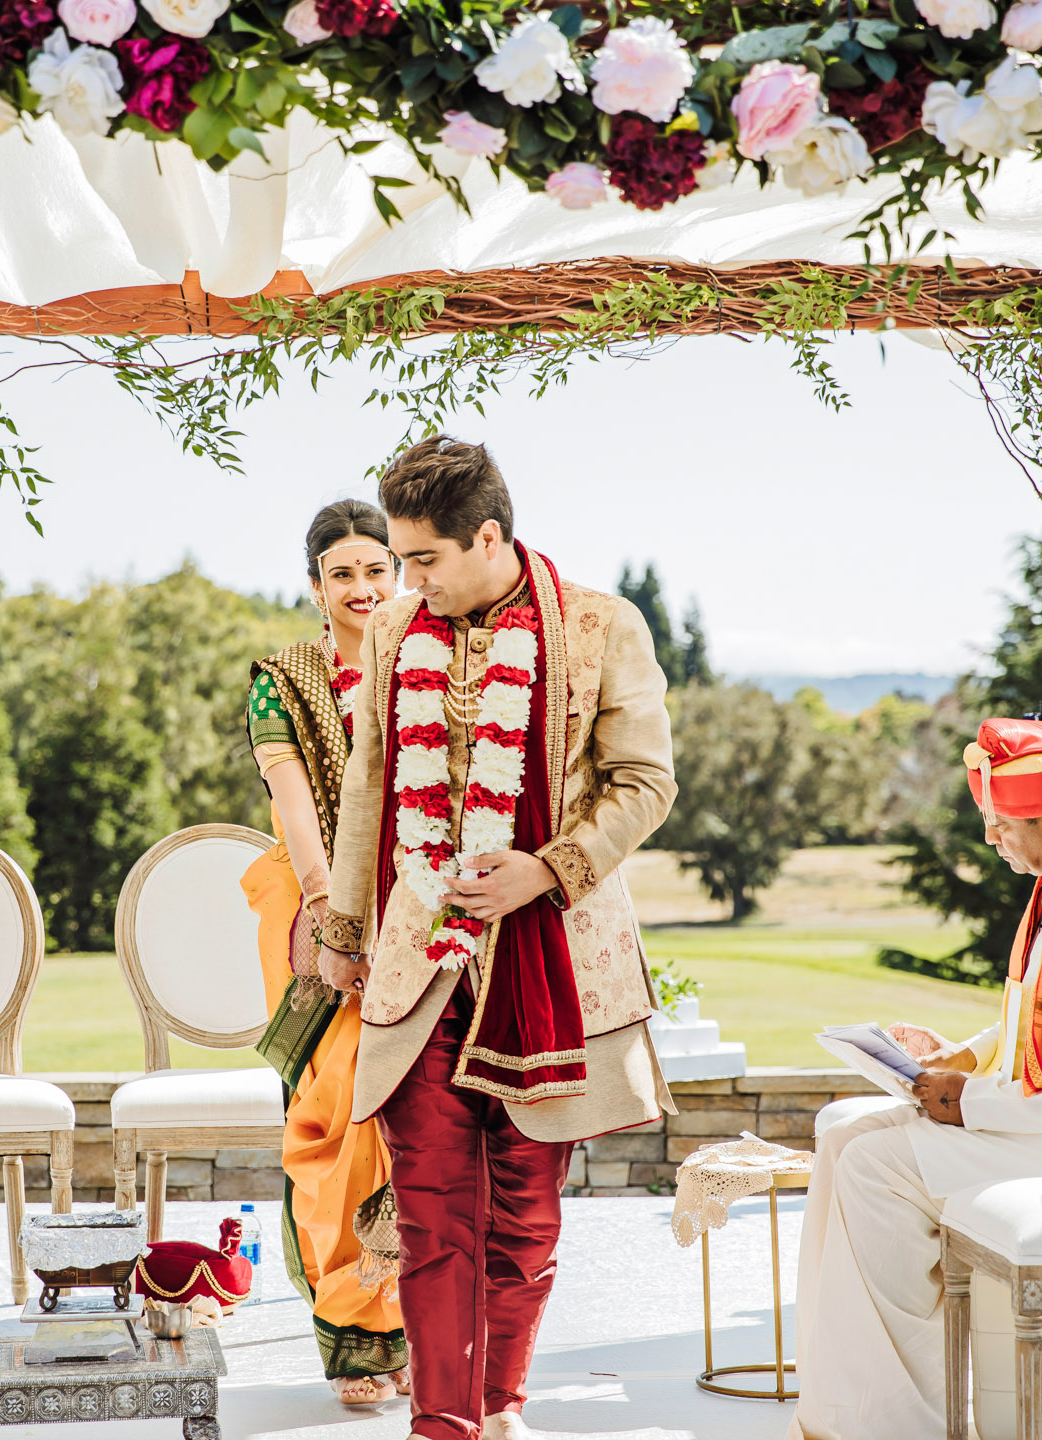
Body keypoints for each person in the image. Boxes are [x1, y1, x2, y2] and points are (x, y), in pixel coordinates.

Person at [314, 436, 677, 1440]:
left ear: (489, 536)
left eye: (423, 559)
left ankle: (497, 1409)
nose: (405, 581)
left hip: (546, 959)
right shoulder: (396, 631)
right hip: (419, 961)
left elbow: (646, 784)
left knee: (523, 1215)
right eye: (398, 558)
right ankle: (443, 1426)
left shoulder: (602, 626)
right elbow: (371, 783)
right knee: (431, 1215)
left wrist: (546, 869)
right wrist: (343, 924)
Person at [788, 716, 1042, 1440]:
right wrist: (963, 1060)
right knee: (847, 1137)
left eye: (999, 822)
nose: (990, 839)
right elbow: (1041, 1028)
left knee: (876, 1168)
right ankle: (842, 1407)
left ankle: (899, 1425)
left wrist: (973, 1104)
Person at [241, 499, 408, 1407]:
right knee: (336, 1111)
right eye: (342, 574)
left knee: (418, 1117)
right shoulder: (283, 678)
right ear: (315, 586)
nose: (362, 588)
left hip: (420, 910)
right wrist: (330, 909)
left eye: (376, 570)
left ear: (399, 573)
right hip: (317, 916)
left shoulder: (429, 663)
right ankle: (355, 1338)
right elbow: (294, 799)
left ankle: (419, 1321)